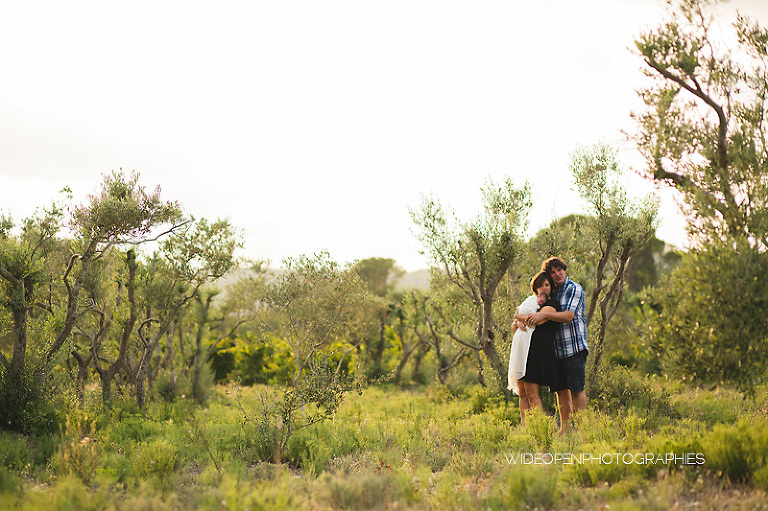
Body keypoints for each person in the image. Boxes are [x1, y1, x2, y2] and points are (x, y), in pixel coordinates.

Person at [523, 256, 588, 434]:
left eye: (559, 270)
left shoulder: (574, 288)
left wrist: (543, 316)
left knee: (577, 390)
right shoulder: (553, 292)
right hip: (557, 350)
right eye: (553, 272)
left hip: (573, 347)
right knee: (561, 390)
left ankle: (583, 432)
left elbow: (568, 316)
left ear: (564, 270)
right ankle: (565, 430)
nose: (557, 274)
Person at [509, 271, 559, 426]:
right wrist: (517, 323)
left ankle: (539, 428)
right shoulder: (531, 302)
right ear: (535, 288)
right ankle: (526, 430)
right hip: (522, 348)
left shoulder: (551, 305)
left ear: (552, 287)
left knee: (531, 392)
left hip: (536, 352)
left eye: (547, 285)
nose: (543, 288)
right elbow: (514, 325)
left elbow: (536, 321)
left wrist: (518, 317)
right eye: (540, 285)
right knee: (522, 392)